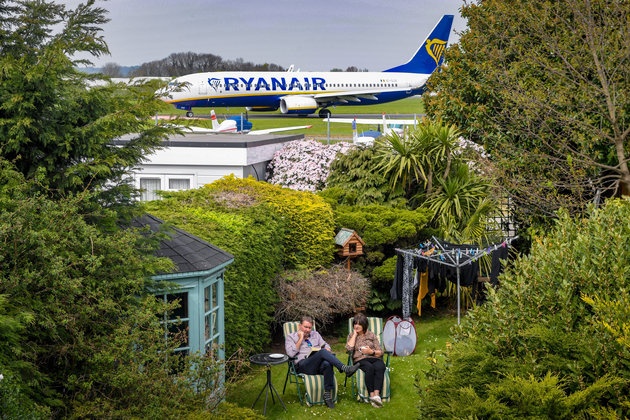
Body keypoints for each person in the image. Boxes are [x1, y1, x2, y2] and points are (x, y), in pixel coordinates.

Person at [285, 315, 360, 408]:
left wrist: (328, 348)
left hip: (316, 365)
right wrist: (300, 338)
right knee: (322, 352)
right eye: (305, 327)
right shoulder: (290, 337)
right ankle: (344, 368)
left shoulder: (315, 334)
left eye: (309, 328)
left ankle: (327, 395)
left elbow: (325, 345)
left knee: (327, 363)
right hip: (302, 366)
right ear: (299, 326)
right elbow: (291, 354)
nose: (307, 330)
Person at [345, 313, 387, 408]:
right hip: (360, 359)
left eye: (359, 324)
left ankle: (376, 396)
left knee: (380, 366)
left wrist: (371, 352)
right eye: (355, 323)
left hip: (374, 357)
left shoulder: (371, 335)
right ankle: (371, 395)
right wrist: (355, 335)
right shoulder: (351, 335)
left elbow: (380, 352)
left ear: (364, 325)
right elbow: (348, 349)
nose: (356, 326)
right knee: (369, 368)